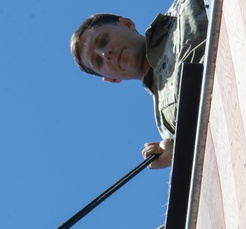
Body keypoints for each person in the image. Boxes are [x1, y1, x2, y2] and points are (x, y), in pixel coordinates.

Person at [70, 2, 209, 172]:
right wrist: (175, 152)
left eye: (104, 40)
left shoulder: (182, 10)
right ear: (111, 79)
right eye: (98, 61)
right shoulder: (164, 122)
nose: (105, 54)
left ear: (127, 24)